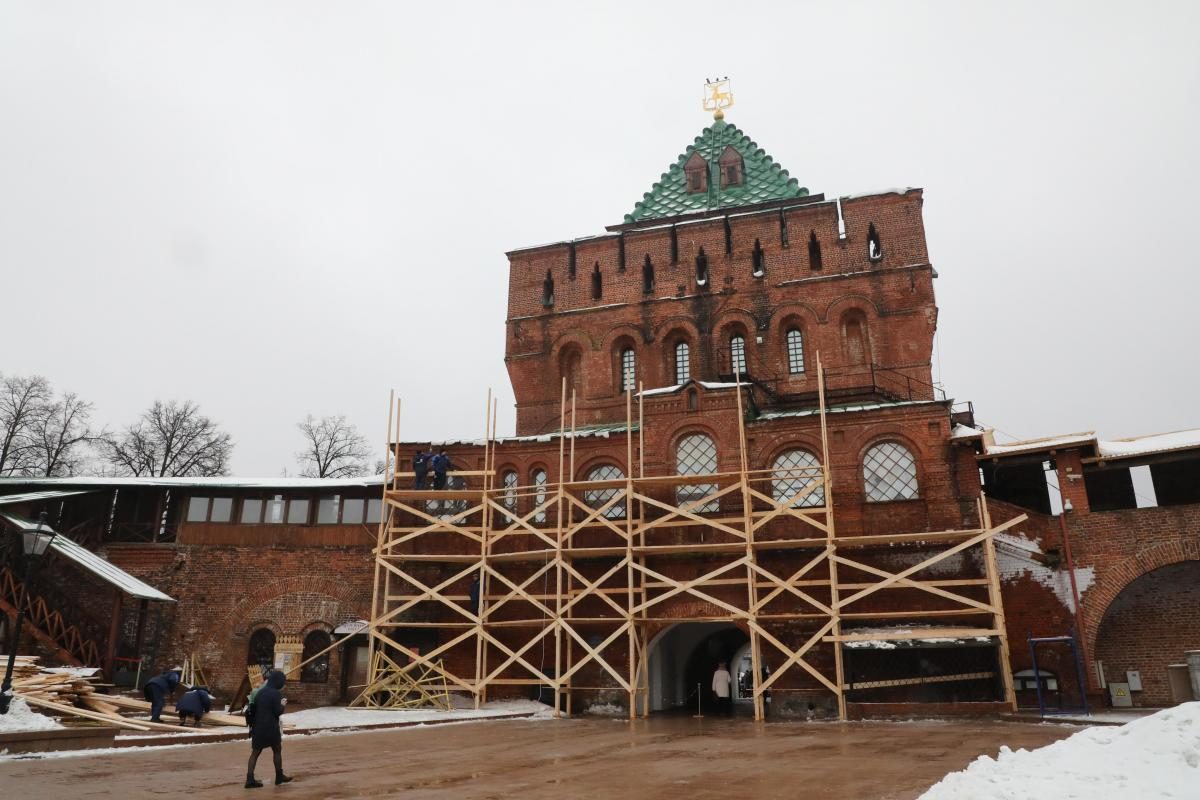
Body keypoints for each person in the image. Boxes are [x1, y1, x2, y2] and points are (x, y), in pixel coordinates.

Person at [245, 669, 292, 789]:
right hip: (270, 727)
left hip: (257, 727)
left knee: (255, 752)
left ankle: (249, 779)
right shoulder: (275, 693)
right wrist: (282, 704)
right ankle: (279, 776)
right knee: (277, 749)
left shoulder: (261, 692)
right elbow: (277, 712)